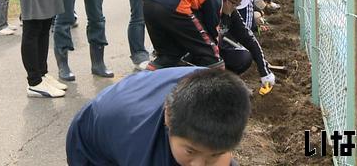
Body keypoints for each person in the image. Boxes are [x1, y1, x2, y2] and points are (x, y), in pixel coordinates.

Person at [66, 67, 251, 166]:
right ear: (168, 118)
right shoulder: (142, 148)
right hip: (93, 141)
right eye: (191, 151)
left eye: (214, 155)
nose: (199, 165)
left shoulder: (220, 93)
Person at [143, 0, 251, 70]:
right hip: (175, 3)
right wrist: (215, 56)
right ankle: (212, 86)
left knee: (169, 56)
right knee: (213, 60)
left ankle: (143, 80)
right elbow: (212, 32)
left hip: (149, 2)